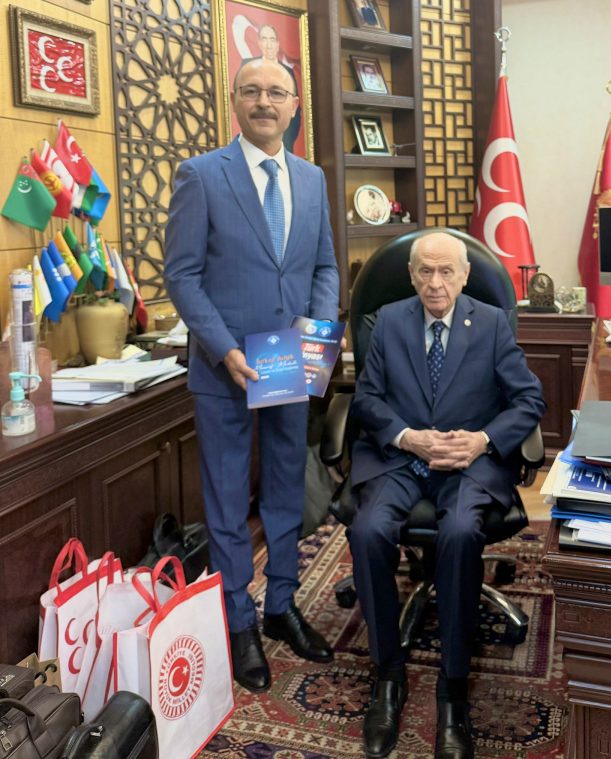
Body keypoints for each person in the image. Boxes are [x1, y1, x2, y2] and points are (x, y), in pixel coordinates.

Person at [164, 59, 340, 694]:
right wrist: (221, 349)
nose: (265, 102)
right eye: (252, 91)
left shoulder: (312, 178)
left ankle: (281, 605)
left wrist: (318, 333)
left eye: (276, 92)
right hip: (227, 367)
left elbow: (323, 266)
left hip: (290, 355)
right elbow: (182, 275)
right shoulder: (201, 175)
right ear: (234, 100)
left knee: (287, 485)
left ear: (294, 105)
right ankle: (238, 620)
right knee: (227, 497)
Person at [348, 231, 545, 759]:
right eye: (425, 272)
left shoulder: (492, 323)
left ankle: (453, 690)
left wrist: (483, 440)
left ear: (464, 276)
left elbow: (529, 399)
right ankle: (388, 675)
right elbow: (366, 399)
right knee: (367, 530)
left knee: (459, 531)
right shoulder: (388, 322)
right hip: (401, 458)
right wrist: (406, 436)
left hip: (467, 462)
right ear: (412, 275)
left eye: (446, 272)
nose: (435, 283)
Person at [251, 24, 301, 153]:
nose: (269, 45)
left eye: (272, 39)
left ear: (278, 44)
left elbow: (295, 116)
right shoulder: (248, 66)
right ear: (259, 43)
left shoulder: (288, 72)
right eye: (264, 39)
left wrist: (287, 141)